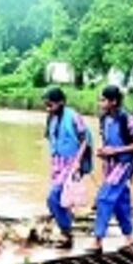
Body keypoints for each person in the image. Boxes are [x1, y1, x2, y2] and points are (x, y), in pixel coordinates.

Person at [91, 85, 133, 253]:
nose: (100, 103)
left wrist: (116, 151)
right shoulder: (104, 119)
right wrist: (103, 151)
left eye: (103, 100)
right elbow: (106, 140)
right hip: (109, 165)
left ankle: (97, 240)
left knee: (104, 199)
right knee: (121, 203)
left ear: (113, 101)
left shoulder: (127, 119)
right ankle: (129, 238)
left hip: (124, 164)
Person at [43, 87, 90, 249]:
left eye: (50, 105)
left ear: (61, 102)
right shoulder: (52, 118)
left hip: (71, 163)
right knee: (61, 200)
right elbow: (51, 139)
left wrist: (78, 162)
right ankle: (66, 227)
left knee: (53, 197)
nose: (48, 109)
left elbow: (85, 139)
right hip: (57, 163)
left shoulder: (73, 116)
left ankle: (66, 232)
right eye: (46, 105)